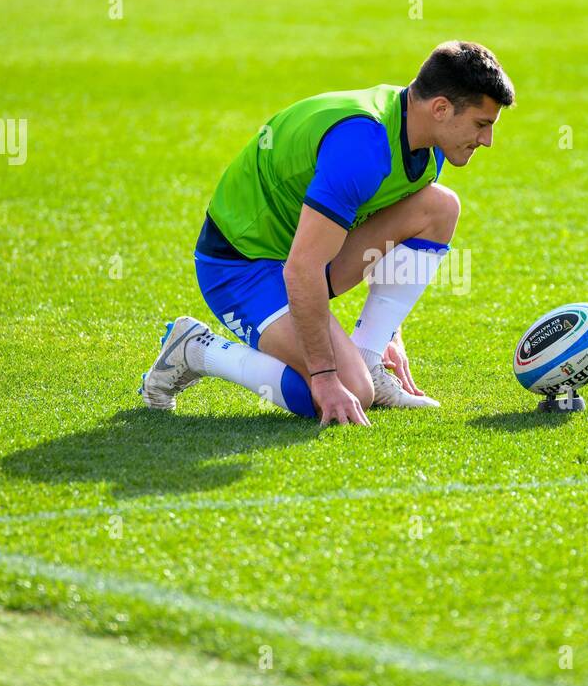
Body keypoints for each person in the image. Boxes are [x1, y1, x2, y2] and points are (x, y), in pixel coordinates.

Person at [140, 41, 516, 426]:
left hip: (303, 253)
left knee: (439, 207)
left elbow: (380, 232)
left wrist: (387, 335)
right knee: (347, 392)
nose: (486, 140)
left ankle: (369, 359)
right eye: (481, 124)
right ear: (440, 108)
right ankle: (195, 350)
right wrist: (324, 377)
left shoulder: (425, 138)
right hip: (242, 265)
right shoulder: (362, 146)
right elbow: (302, 269)